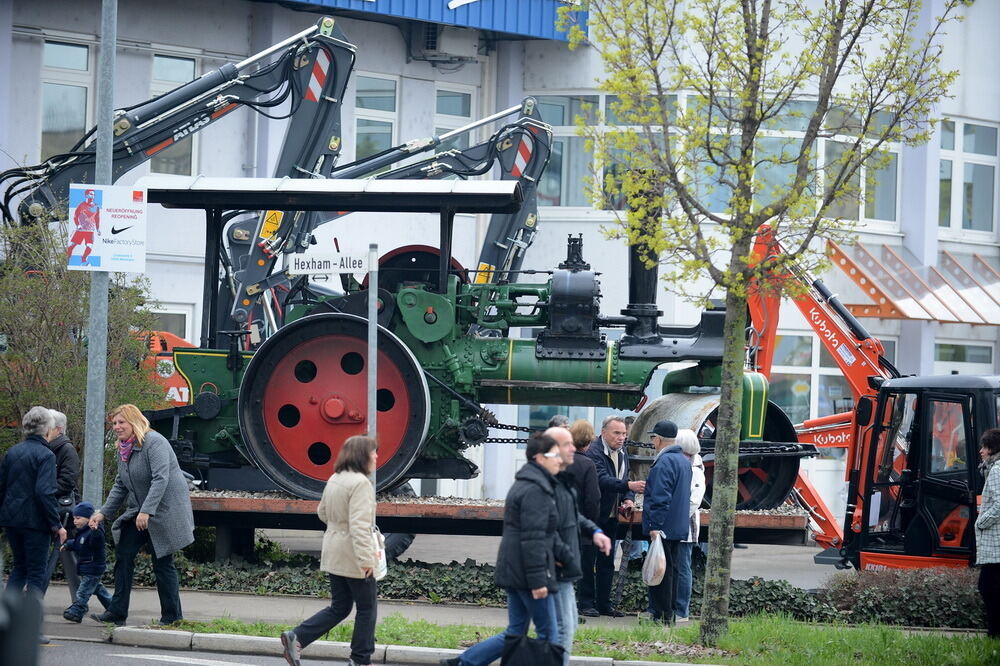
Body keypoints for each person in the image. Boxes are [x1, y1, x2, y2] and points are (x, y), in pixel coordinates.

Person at [441, 434, 565, 666]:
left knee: (515, 632)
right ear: (539, 458)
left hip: (515, 570)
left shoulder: (523, 484)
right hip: (529, 576)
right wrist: (539, 580)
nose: (560, 460)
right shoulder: (536, 490)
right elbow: (533, 537)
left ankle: (464, 663)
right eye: (555, 455)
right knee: (548, 635)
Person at [89, 404, 194, 626]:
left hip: (164, 510)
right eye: (114, 423)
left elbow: (160, 478)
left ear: (134, 422)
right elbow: (121, 483)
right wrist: (103, 513)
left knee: (162, 563)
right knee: (124, 555)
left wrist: (147, 510)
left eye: (121, 422)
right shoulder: (124, 447)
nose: (116, 427)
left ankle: (172, 617)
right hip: (140, 510)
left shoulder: (154, 442)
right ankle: (117, 613)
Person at [281, 436, 380, 666]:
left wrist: (338, 527)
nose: (376, 456)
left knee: (340, 607)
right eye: (373, 452)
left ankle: (298, 636)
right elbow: (359, 526)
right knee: (367, 608)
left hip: (334, 552)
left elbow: (322, 513)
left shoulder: (335, 478)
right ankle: (361, 660)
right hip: (354, 556)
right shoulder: (361, 484)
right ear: (361, 455)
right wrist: (367, 560)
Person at [547, 426, 611, 664]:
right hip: (548, 563)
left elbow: (571, 512)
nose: (573, 449)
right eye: (567, 445)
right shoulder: (543, 479)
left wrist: (594, 531)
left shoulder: (558, 475)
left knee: (564, 625)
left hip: (557, 560)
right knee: (559, 627)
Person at [0, 406, 67, 595]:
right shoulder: (46, 456)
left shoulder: (12, 452)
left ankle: (7, 616)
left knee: (19, 568)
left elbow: (2, 488)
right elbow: (44, 492)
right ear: (47, 430)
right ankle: (31, 618)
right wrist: (56, 525)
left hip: (12, 521)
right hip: (36, 523)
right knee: (36, 572)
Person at [584, 415, 645, 617]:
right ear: (604, 433)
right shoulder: (593, 452)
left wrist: (628, 498)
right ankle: (585, 603)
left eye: (624, 434)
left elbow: (625, 477)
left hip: (611, 517)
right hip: (593, 516)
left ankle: (604, 604)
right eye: (617, 433)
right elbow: (602, 479)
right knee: (588, 560)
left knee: (607, 562)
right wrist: (629, 487)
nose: (621, 438)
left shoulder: (622, 452)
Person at [642, 421, 692, 626]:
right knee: (672, 569)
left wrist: (654, 526)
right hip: (678, 525)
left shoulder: (664, 462)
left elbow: (660, 497)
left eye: (653, 438)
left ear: (659, 439)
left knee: (660, 572)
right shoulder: (683, 461)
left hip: (663, 526)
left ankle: (661, 615)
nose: (653, 442)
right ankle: (669, 613)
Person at [43, 408, 81, 601]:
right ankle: (80, 600)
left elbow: (68, 481)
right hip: (53, 509)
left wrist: (42, 489)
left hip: (62, 511)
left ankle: (80, 600)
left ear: (58, 428)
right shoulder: (48, 448)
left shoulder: (66, 450)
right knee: (67, 557)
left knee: (68, 557)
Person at [567, 419, 601, 615]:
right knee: (586, 567)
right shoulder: (588, 464)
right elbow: (593, 499)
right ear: (589, 441)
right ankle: (586, 604)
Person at [61, 501, 112, 622]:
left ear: (89, 518)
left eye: (78, 518)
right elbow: (79, 545)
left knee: (83, 591)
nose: (75, 521)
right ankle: (113, 607)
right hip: (88, 568)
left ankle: (77, 611)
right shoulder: (82, 533)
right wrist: (68, 544)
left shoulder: (95, 531)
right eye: (74, 518)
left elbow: (96, 543)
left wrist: (95, 531)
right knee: (98, 589)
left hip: (93, 568)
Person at [674, 431, 705, 622]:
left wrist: (676, 517)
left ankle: (681, 611)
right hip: (679, 523)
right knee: (679, 567)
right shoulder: (690, 465)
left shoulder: (695, 469)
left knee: (683, 567)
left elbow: (694, 501)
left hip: (686, 526)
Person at [976, 428, 1000, 638]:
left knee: (987, 587)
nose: (981, 451)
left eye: (984, 447)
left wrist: (981, 522)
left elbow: (999, 504)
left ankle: (994, 633)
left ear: (993, 449)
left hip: (996, 541)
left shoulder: (997, 470)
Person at [66, 188, 101, 266]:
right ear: (86, 195)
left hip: (90, 231)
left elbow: (97, 218)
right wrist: (78, 225)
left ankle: (84, 259)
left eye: (94, 194)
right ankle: (67, 260)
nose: (93, 196)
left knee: (89, 246)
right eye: (91, 194)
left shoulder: (96, 206)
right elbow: (75, 216)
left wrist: (98, 229)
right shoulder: (81, 205)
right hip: (81, 230)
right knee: (71, 246)